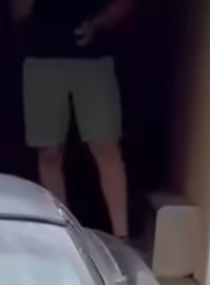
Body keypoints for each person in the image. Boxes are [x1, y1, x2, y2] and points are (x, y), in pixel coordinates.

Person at [11, 0, 138, 238]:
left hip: (95, 60)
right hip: (42, 58)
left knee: (107, 147)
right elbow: (18, 13)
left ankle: (123, 237)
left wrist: (98, 23)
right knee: (49, 151)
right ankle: (64, 233)